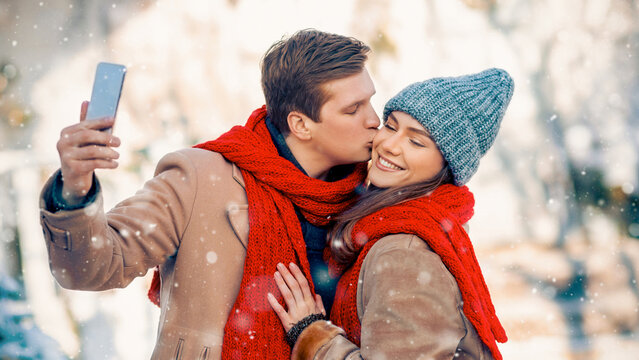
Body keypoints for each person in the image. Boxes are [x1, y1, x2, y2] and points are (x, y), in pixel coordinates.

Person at [38, 29, 380, 359]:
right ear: (301, 124)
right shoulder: (200, 179)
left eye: (370, 102)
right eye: (353, 109)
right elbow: (89, 268)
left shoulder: (375, 198)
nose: (374, 120)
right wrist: (75, 188)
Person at [268, 68, 514, 360]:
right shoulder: (400, 222)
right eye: (391, 125)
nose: (389, 145)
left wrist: (312, 335)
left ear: (447, 166)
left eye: (416, 141)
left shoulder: (404, 252)